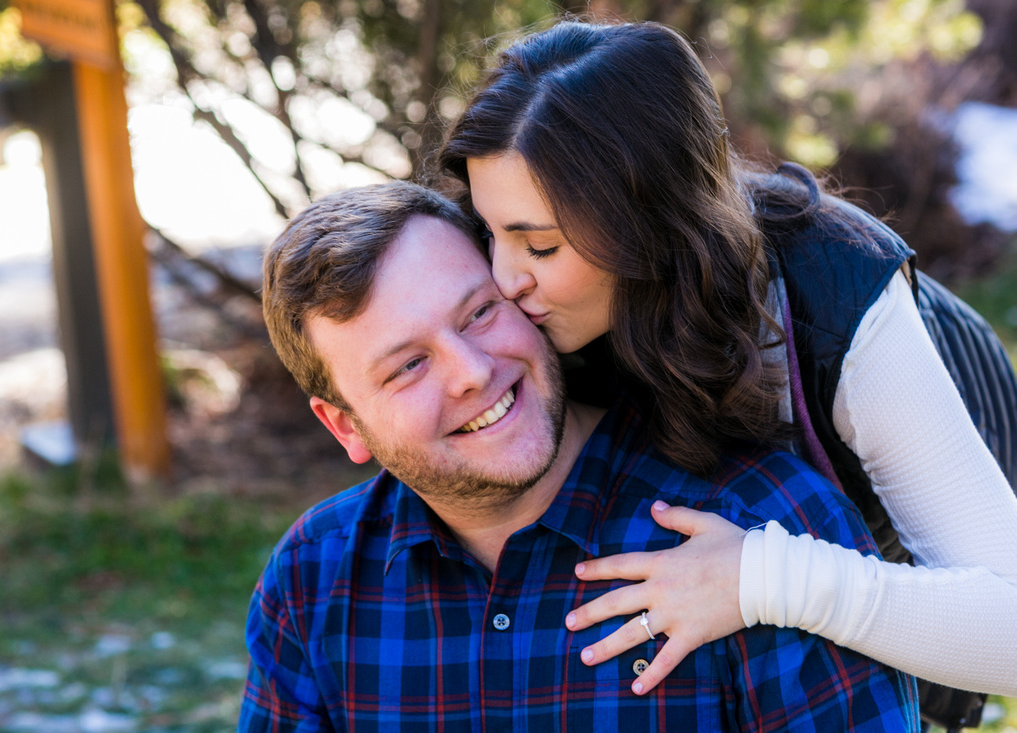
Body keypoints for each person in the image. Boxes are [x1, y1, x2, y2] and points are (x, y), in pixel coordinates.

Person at [436, 17, 1017, 722]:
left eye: (541, 247)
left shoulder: (840, 302)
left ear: (649, 225)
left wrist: (762, 576)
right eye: (492, 232)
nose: (504, 278)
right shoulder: (546, 306)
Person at [239, 180, 919, 730]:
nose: (472, 370)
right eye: (410, 365)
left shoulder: (761, 525)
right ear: (344, 426)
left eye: (478, 313)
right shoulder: (312, 579)